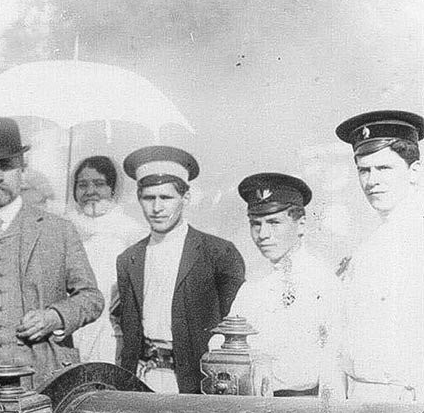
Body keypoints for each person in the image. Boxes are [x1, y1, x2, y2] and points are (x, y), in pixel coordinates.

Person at [0, 118, 102, 386]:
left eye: (7, 166)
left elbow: (92, 298)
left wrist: (55, 317)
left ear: (22, 169)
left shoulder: (59, 232)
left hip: (45, 381)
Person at [114, 146, 245, 394]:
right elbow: (130, 333)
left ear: (185, 198)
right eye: (148, 198)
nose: (156, 208)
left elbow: (232, 333)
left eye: (166, 198)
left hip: (197, 384)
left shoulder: (219, 253)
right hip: (143, 380)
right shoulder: (128, 259)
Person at [334, 111, 424, 400]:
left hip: (409, 404)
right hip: (360, 400)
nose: (372, 181)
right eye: (364, 170)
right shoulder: (367, 247)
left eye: (384, 168)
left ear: (414, 171)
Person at [228, 173, 336, 397]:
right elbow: (220, 343)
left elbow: (314, 370)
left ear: (301, 224)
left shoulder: (322, 282)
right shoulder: (253, 287)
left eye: (274, 223)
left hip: (303, 410)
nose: (263, 235)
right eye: (255, 224)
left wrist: (259, 360)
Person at [67, 156, 144, 364]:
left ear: (112, 189)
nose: (90, 191)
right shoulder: (64, 228)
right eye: (82, 185)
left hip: (110, 333)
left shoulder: (130, 232)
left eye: (99, 184)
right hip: (69, 331)